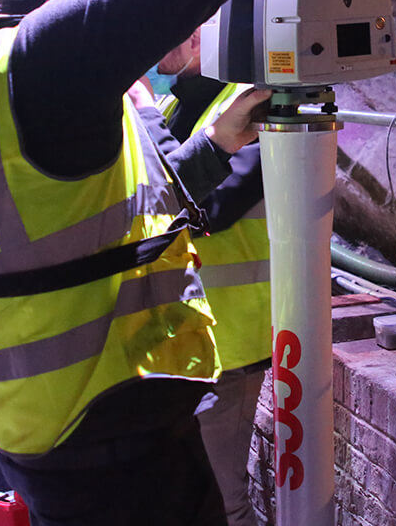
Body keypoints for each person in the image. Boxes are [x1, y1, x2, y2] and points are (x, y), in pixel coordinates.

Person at [0, 0, 299, 526]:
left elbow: (124, 216)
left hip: (84, 419)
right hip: (103, 428)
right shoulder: (37, 59)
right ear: (56, 1)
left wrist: (219, 142)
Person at [145, 29, 271, 526]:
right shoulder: (175, 106)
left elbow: (206, 210)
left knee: (225, 500)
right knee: (189, 494)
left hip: (231, 344)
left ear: (198, 33)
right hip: (183, 338)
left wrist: (143, 112)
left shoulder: (253, 106)